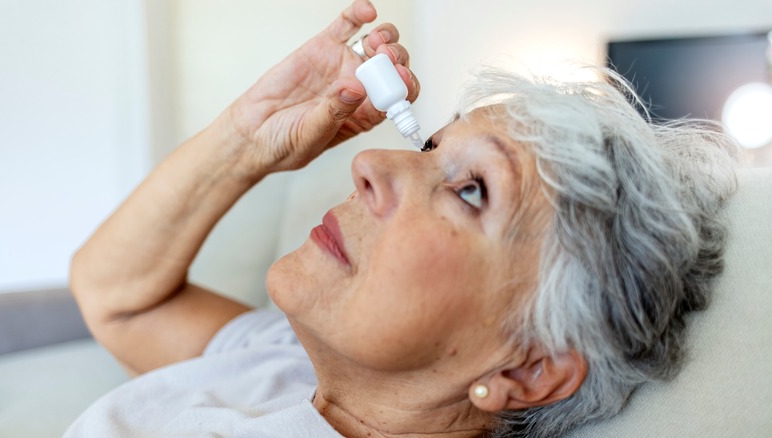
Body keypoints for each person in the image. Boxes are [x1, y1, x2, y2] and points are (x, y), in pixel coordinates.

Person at [66, 1, 739, 437]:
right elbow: (117, 297)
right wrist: (244, 142)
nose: (374, 165)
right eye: (431, 146)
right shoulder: (292, 367)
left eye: (471, 191)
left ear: (530, 370)